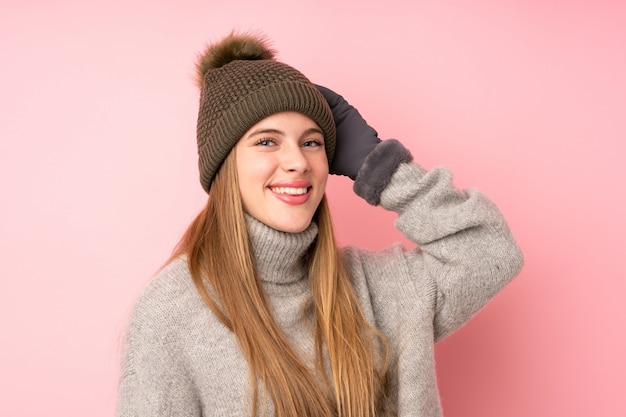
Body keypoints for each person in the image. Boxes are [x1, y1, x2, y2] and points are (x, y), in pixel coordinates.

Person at [116, 32, 523, 417]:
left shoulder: (378, 288)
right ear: (225, 166)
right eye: (266, 141)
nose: (298, 162)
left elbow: (490, 251)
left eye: (311, 142)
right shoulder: (171, 314)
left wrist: (381, 168)